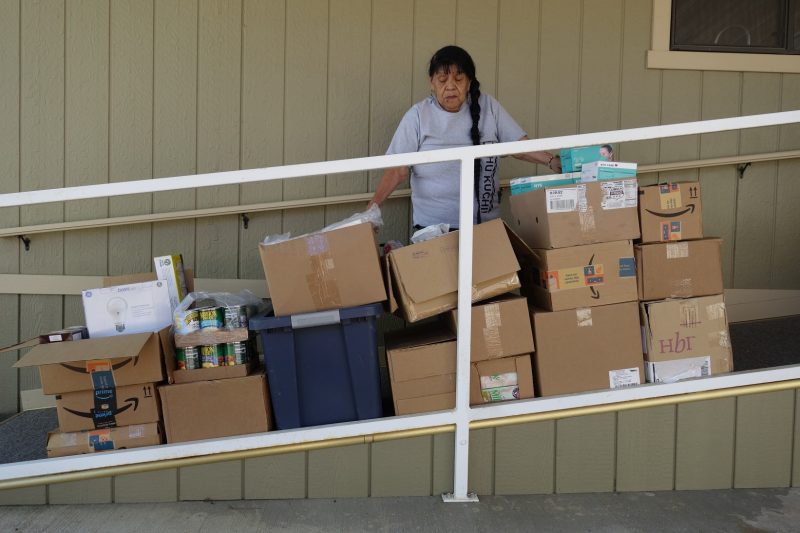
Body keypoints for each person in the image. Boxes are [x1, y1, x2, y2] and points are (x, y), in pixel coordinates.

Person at [368, 45, 562, 229]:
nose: (450, 87)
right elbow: (397, 170)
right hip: (435, 228)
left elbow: (517, 145)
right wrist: (372, 209)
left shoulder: (489, 107)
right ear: (432, 83)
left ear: (469, 82)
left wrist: (551, 161)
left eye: (458, 79)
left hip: (486, 226)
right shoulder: (418, 115)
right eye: (442, 80)